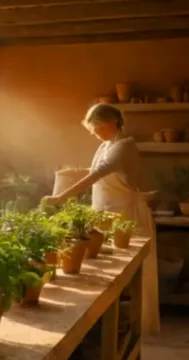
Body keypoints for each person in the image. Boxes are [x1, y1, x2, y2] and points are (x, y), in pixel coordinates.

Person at [42, 103, 160, 335]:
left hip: (125, 217)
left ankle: (134, 325)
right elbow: (91, 171)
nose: (93, 133)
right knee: (104, 271)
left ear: (111, 123)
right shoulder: (105, 146)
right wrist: (68, 173)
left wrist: (61, 198)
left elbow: (99, 173)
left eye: (96, 128)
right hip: (103, 214)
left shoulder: (125, 147)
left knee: (132, 274)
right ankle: (108, 324)